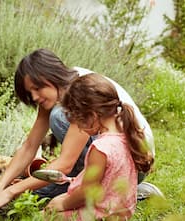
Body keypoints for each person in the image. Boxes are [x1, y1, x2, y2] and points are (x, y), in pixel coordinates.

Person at [0, 48, 161, 218]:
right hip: (119, 159)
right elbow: (30, 146)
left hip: (132, 164)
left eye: (37, 88)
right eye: (29, 92)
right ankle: (107, 189)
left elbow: (64, 164)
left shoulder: (81, 93)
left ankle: (131, 189)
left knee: (58, 117)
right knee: (35, 193)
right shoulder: (59, 87)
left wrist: (9, 192)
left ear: (50, 76)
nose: (34, 97)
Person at [44, 73, 153, 220]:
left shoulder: (101, 148)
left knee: (45, 215)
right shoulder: (126, 135)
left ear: (93, 116)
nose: (81, 129)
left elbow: (86, 192)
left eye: (79, 121)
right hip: (120, 212)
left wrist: (62, 204)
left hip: (100, 214)